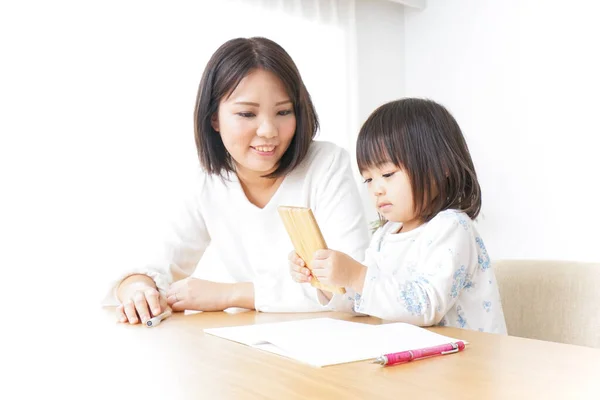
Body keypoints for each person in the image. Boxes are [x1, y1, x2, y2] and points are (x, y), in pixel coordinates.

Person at [111, 37, 370, 325]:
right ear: (214, 119)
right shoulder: (208, 181)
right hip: (252, 342)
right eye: (247, 114)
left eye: (284, 112)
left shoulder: (326, 164)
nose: (269, 130)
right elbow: (153, 264)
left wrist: (233, 294)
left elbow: (354, 290)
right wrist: (138, 288)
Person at [289, 98, 507, 334]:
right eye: (369, 179)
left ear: (441, 166)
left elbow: (426, 306)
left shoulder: (452, 227)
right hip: (418, 357)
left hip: (470, 361)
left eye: (388, 174)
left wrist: (357, 275)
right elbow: (370, 301)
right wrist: (329, 281)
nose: (376, 189)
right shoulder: (386, 235)